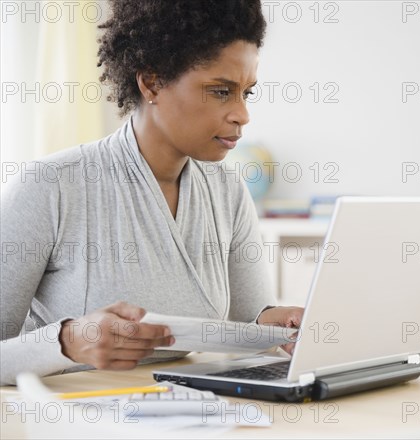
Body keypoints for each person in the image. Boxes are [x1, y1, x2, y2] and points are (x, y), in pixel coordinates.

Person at [0, 0, 302, 386]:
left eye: (247, 92)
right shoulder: (51, 186)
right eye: (221, 91)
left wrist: (276, 325)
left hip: (187, 413)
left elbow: (248, 323)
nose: (242, 114)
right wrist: (64, 341)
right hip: (74, 417)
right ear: (152, 82)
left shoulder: (227, 189)